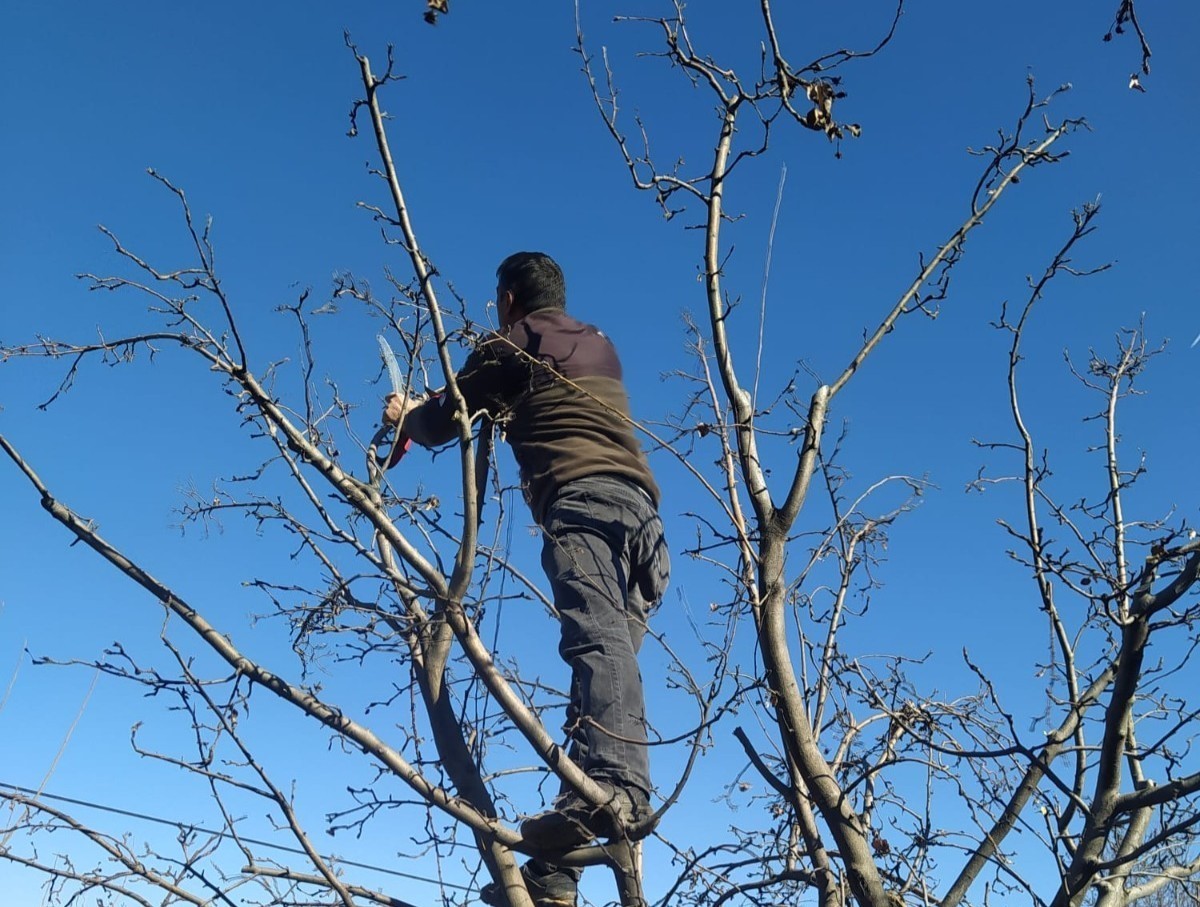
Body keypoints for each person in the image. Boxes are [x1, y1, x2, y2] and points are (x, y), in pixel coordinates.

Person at [383, 252, 669, 907]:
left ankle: (620, 788)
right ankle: (556, 872)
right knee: (600, 682)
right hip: (646, 529)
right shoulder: (597, 343)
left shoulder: (515, 342)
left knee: (596, 647)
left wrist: (407, 415)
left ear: (510, 298)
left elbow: (447, 416)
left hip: (585, 507)